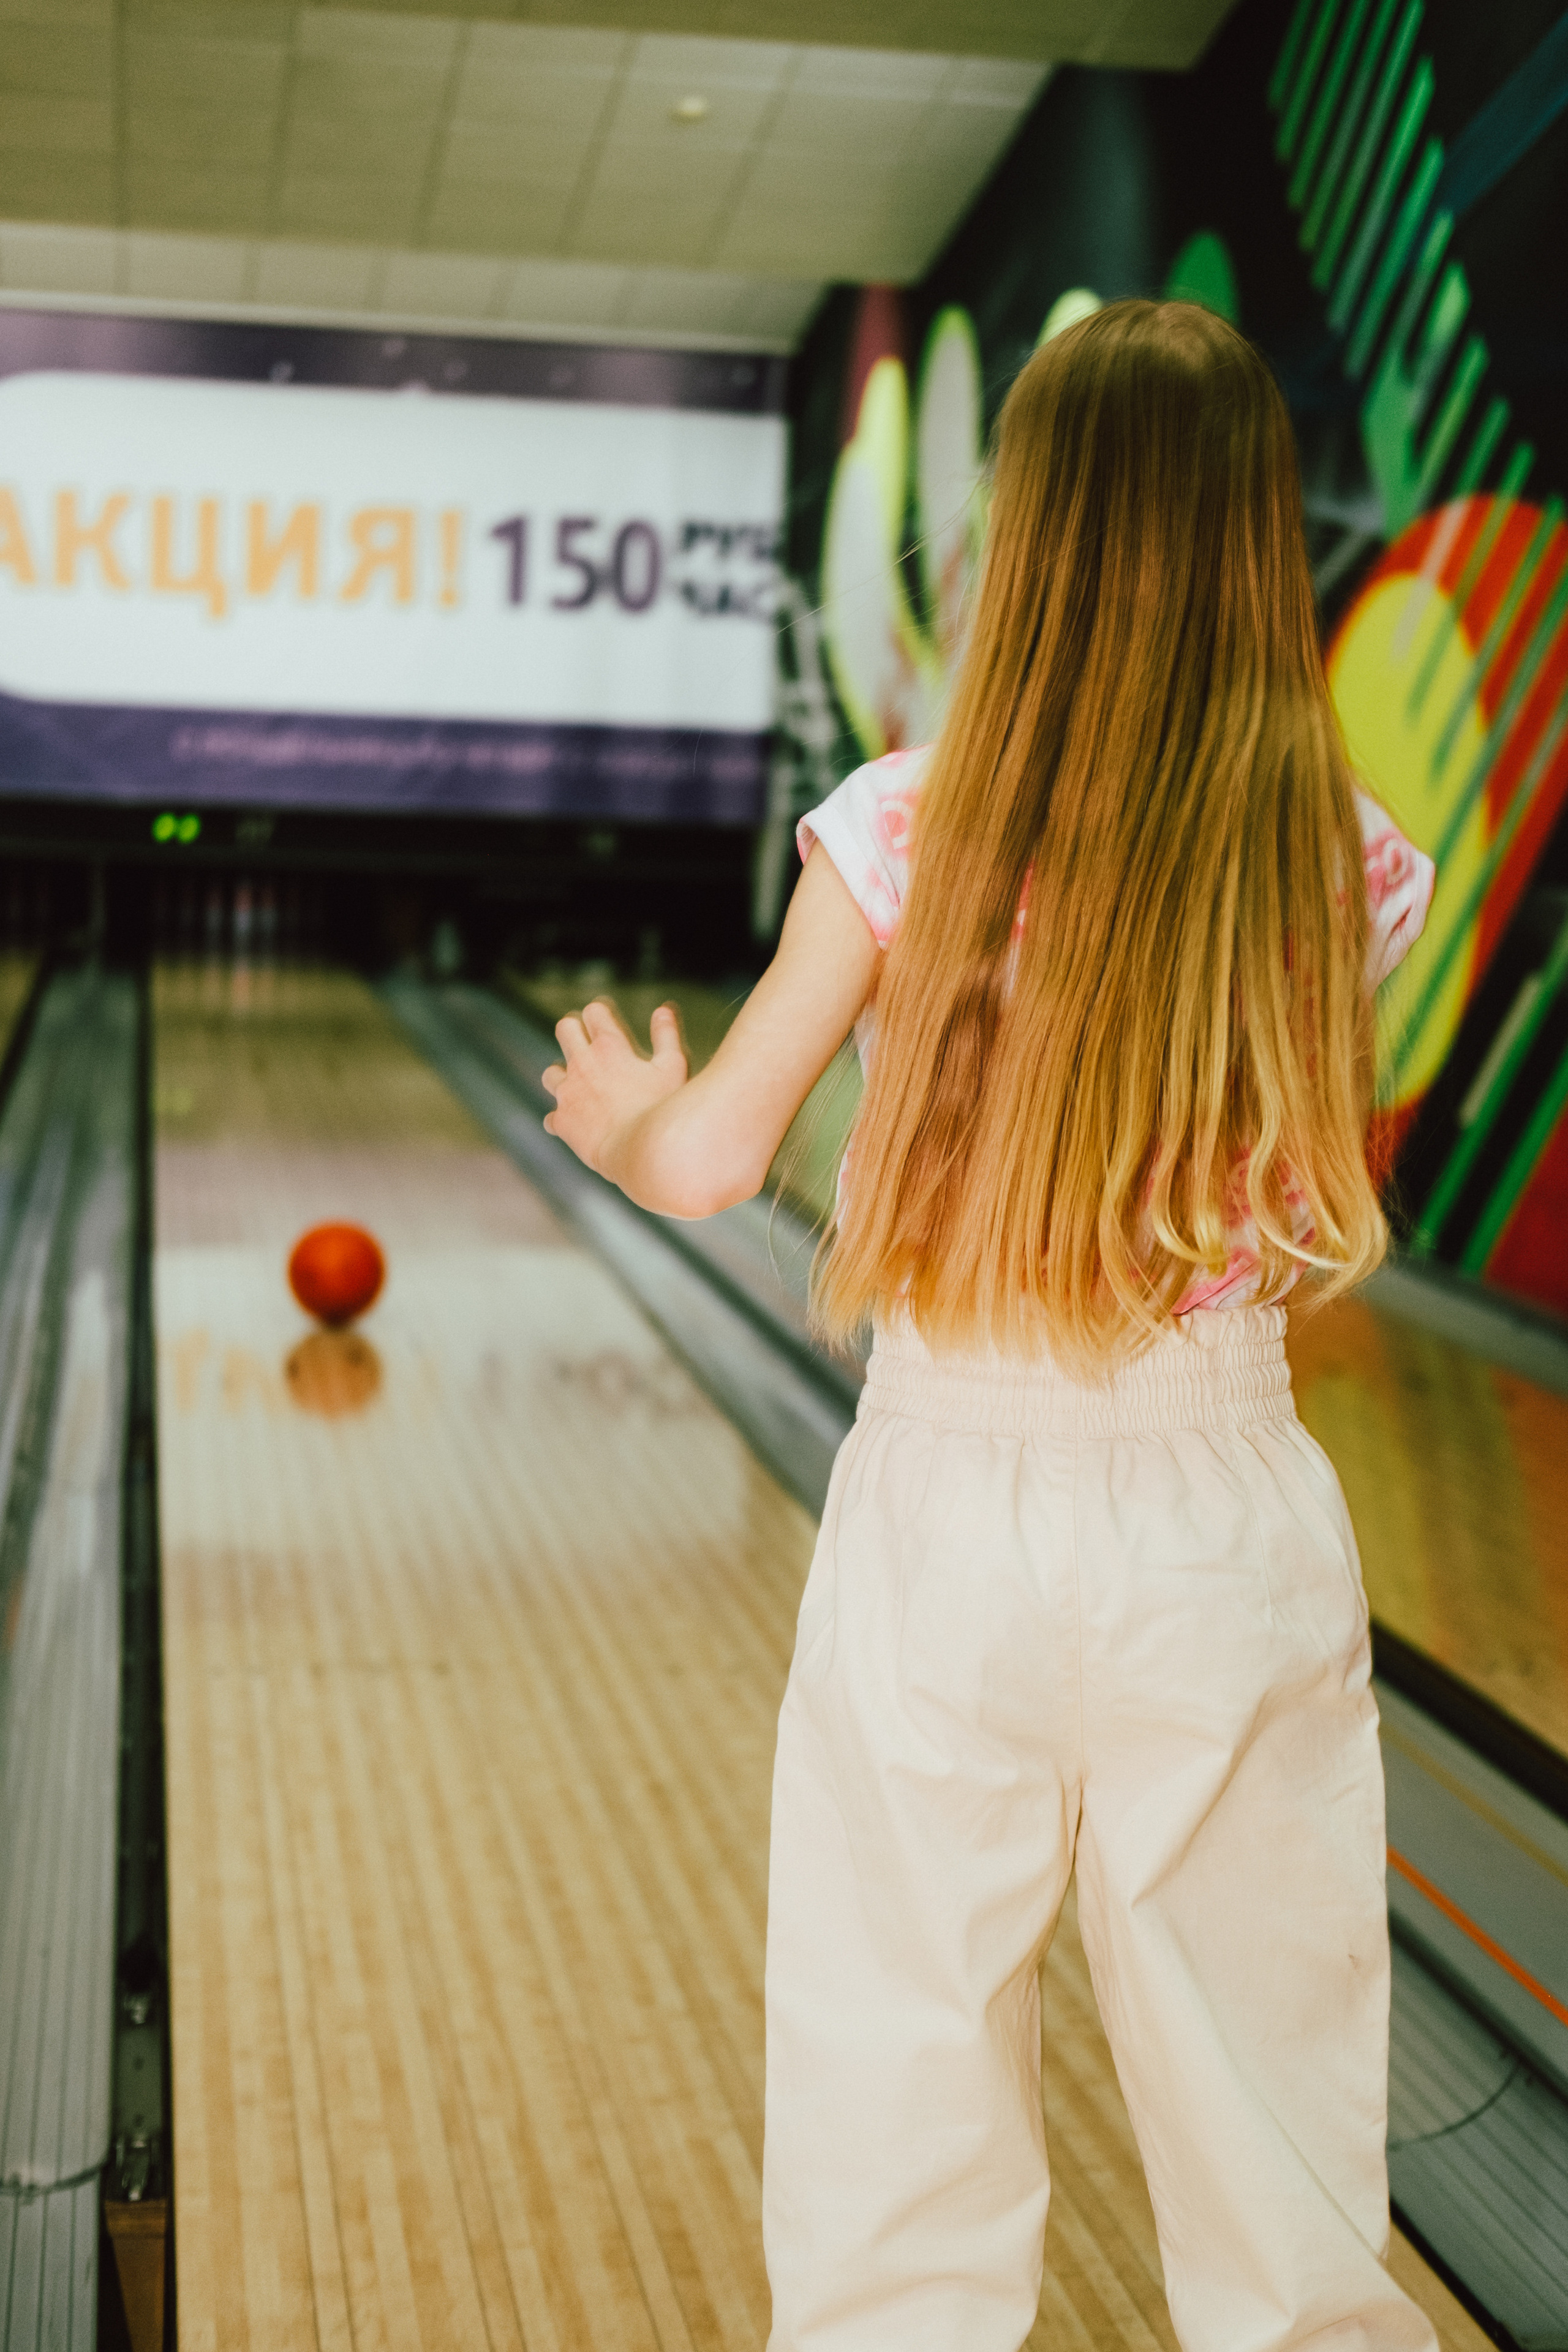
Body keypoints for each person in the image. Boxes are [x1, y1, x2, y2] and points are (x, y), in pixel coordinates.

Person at [541, 299, 1439, 2352]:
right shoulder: (1344, 858)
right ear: (1258, 542)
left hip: (948, 1497)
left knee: (898, 2080)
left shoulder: (899, 825)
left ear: (1017, 540)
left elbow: (713, 1158)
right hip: (1225, 1502)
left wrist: (625, 1120)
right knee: (1277, 2116)